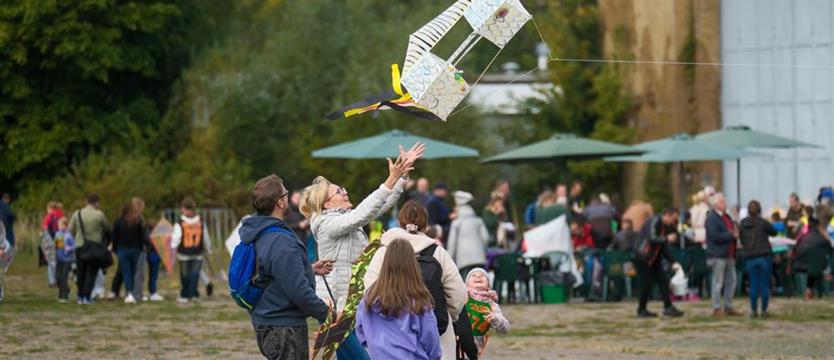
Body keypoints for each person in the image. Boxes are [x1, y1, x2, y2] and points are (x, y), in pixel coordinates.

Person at [300, 142, 425, 360]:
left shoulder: (343, 219)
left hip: (352, 303)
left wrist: (401, 176)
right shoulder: (325, 223)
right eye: (339, 191)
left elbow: (377, 207)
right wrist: (390, 179)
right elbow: (361, 214)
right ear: (326, 204)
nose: (345, 192)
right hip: (337, 308)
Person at [239, 174, 333, 360]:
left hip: (266, 319)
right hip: (284, 327)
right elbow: (298, 292)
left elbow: (272, 273)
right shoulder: (281, 241)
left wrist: (308, 269)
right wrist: (327, 313)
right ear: (280, 202)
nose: (288, 196)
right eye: (285, 193)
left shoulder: (259, 231)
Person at [364, 200, 467, 360]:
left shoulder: (384, 251)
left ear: (400, 222)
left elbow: (370, 288)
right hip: (436, 331)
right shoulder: (438, 252)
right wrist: (449, 315)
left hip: (393, 332)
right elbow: (458, 293)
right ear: (425, 225)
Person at [356, 238, 441, 360]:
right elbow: (432, 342)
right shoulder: (418, 300)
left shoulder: (370, 298)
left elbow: (360, 331)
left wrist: (376, 347)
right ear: (412, 264)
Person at [633, 208, 684, 318]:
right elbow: (652, 238)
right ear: (667, 215)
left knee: (663, 281)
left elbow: (663, 247)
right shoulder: (654, 221)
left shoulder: (664, 227)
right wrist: (667, 238)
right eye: (673, 219)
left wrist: (673, 262)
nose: (673, 222)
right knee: (646, 284)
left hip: (654, 258)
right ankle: (641, 309)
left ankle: (668, 307)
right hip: (643, 256)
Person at [68, 193, 110, 304]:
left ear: (86, 202)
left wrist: (77, 237)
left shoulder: (77, 213)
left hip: (79, 246)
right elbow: (107, 228)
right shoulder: (99, 214)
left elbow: (70, 229)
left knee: (80, 272)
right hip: (95, 247)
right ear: (96, 203)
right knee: (91, 273)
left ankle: (80, 296)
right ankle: (87, 296)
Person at [738, 200, 777, 318]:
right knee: (764, 285)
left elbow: (741, 238)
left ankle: (753, 310)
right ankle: (764, 310)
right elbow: (774, 232)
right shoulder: (763, 223)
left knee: (753, 285)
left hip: (750, 256)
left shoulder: (743, 223)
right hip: (764, 256)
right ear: (760, 210)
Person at [705, 192, 741, 316]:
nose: (725, 204)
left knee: (732, 281)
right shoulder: (711, 218)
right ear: (715, 204)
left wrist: (734, 233)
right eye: (722, 202)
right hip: (717, 254)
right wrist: (731, 235)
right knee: (718, 282)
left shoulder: (727, 217)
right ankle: (716, 307)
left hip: (729, 254)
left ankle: (728, 306)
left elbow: (731, 230)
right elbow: (714, 236)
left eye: (724, 202)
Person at [170, 197, 211, 303]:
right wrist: (208, 248)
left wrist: (172, 249)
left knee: (185, 276)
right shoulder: (201, 221)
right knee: (194, 275)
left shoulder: (180, 223)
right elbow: (205, 236)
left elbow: (176, 239)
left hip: (184, 253)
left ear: (184, 208)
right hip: (197, 253)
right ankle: (193, 294)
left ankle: (185, 295)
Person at [464, 268, 510, 354]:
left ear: (488, 285)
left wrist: (496, 319)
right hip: (458, 342)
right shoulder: (462, 297)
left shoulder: (492, 305)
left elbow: (505, 329)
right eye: (473, 275)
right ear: (466, 284)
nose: (478, 276)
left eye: (482, 275)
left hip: (477, 346)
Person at [112, 201, 150, 304]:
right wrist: (143, 246)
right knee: (134, 272)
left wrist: (115, 249)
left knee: (126, 272)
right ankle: (133, 292)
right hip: (135, 249)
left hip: (122, 250)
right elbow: (142, 236)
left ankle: (129, 293)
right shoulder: (138, 222)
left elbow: (114, 237)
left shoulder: (118, 222)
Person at [447, 192, 490, 279]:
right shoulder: (478, 220)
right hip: (479, 258)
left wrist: (449, 260)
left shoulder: (456, 223)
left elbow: (452, 243)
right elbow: (486, 238)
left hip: (462, 260)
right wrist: (482, 251)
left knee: (465, 283)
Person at [793, 217, 833, 300]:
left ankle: (808, 290)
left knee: (810, 269)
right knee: (816, 268)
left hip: (803, 265)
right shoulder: (822, 237)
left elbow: (795, 250)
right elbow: (830, 251)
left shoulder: (803, 236)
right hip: (820, 266)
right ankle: (817, 290)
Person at [54, 217, 76, 303]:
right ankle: (66, 290)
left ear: (65, 226)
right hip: (59, 259)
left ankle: (63, 296)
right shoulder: (57, 234)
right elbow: (57, 246)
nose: (59, 226)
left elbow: (74, 246)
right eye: (58, 225)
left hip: (67, 259)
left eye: (61, 225)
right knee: (58, 278)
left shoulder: (69, 235)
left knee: (63, 278)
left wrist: (69, 248)